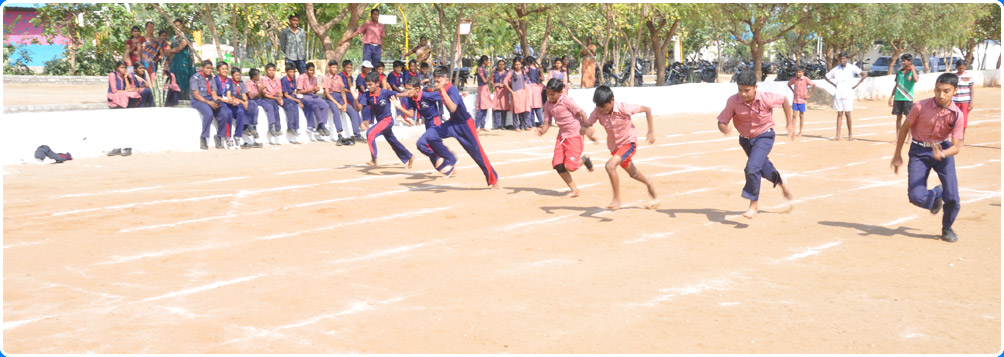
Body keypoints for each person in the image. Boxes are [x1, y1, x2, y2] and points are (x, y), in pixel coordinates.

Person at [890, 73, 965, 243]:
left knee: (952, 196)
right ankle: (936, 195)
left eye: (946, 91)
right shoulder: (920, 107)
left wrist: (942, 154)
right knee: (916, 196)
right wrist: (897, 155)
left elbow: (956, 147)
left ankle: (947, 228)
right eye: (938, 90)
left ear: (955, 91)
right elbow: (904, 129)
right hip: (919, 151)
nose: (941, 95)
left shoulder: (957, 115)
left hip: (943, 150)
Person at [716, 70, 795, 219]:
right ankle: (782, 182)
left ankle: (753, 205)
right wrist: (724, 128)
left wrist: (789, 123)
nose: (743, 94)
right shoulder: (733, 101)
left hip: (764, 135)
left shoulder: (766, 98)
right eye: (740, 90)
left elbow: (784, 100)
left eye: (747, 90)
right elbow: (722, 120)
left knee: (752, 168)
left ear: (755, 87)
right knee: (763, 169)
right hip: (746, 140)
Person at [582, 85, 659, 209]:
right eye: (599, 107)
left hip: (628, 144)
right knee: (633, 174)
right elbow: (586, 125)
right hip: (615, 148)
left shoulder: (624, 108)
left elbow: (647, 109)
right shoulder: (597, 111)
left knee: (610, 166)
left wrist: (650, 131)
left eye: (604, 106)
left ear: (612, 100)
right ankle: (648, 182)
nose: (602, 110)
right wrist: (585, 130)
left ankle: (617, 200)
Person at [424, 68, 500, 188]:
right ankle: (448, 158)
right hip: (453, 123)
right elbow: (427, 93)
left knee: (477, 154)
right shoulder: (440, 89)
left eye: (439, 80)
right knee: (430, 136)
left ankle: (493, 179)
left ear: (447, 79)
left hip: (465, 125)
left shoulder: (451, 90)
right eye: (435, 81)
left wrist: (442, 90)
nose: (436, 83)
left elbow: (453, 108)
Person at [535, 78, 594, 198]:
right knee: (558, 164)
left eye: (552, 94)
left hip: (574, 134)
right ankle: (574, 190)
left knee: (571, 167)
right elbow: (547, 122)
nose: (549, 96)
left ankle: (585, 159)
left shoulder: (566, 100)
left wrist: (587, 127)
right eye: (548, 93)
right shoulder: (547, 104)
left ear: (560, 92)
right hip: (561, 136)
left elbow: (582, 114)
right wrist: (542, 131)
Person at [351, 72, 413, 167]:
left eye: (370, 84)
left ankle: (373, 159)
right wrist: (355, 99)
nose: (368, 87)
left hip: (387, 120)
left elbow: (399, 95)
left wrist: (409, 93)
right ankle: (409, 156)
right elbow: (358, 108)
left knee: (370, 133)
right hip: (381, 122)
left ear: (377, 83)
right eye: (367, 84)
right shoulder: (367, 95)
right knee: (393, 141)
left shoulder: (385, 92)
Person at [824, 52, 866, 141]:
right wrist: (834, 84)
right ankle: (837, 135)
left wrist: (857, 84)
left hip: (848, 93)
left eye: (844, 59)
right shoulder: (836, 69)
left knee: (847, 113)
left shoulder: (852, 67)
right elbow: (826, 77)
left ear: (847, 59)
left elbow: (864, 74)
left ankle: (850, 134)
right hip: (838, 93)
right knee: (839, 114)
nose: (842, 60)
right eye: (841, 59)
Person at [191, 60, 232, 150]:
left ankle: (219, 136)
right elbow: (196, 95)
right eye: (207, 68)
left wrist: (217, 101)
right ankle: (204, 137)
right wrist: (209, 103)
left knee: (224, 114)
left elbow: (213, 93)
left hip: (210, 98)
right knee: (208, 114)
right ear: (202, 68)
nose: (209, 70)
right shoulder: (195, 78)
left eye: (211, 68)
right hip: (198, 100)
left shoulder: (211, 78)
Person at [323, 59, 356, 145]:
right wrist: (337, 104)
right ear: (329, 67)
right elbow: (327, 93)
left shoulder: (339, 77)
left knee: (352, 110)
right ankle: (339, 135)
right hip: (330, 97)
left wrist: (345, 103)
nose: (335, 69)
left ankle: (356, 133)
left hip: (340, 97)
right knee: (336, 111)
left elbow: (342, 91)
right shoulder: (326, 78)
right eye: (333, 67)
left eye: (336, 67)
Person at [296, 62, 330, 141]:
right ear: (306, 70)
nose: (311, 72)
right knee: (314, 104)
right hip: (304, 96)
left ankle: (320, 126)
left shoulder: (314, 78)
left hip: (312, 95)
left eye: (313, 70)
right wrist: (312, 89)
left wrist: (316, 90)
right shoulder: (302, 77)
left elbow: (313, 91)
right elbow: (299, 91)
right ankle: (322, 125)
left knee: (325, 105)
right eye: (310, 70)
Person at [230, 67, 262, 148]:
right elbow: (231, 96)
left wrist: (246, 101)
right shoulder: (230, 83)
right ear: (232, 75)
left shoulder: (241, 83)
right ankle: (246, 127)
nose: (238, 76)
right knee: (241, 108)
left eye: (239, 75)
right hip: (235, 101)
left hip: (242, 100)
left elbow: (244, 94)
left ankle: (253, 126)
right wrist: (242, 102)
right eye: (236, 75)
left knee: (253, 104)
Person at [212, 61, 241, 149]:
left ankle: (238, 136)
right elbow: (215, 95)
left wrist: (232, 100)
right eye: (222, 69)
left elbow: (228, 94)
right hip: (219, 100)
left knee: (240, 111)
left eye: (226, 69)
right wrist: (226, 100)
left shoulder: (228, 80)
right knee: (228, 113)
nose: (225, 70)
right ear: (218, 71)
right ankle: (228, 137)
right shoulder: (215, 80)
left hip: (226, 100)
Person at [887, 53, 919, 132]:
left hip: (908, 99)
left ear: (910, 61)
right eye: (902, 61)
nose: (902, 62)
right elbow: (896, 85)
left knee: (908, 118)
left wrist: (913, 69)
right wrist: (891, 96)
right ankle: (898, 137)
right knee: (898, 118)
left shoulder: (913, 72)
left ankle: (909, 138)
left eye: (904, 61)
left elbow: (916, 80)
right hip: (898, 98)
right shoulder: (899, 72)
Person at [167, 18, 194, 100]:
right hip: (174, 61)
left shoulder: (185, 36)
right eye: (175, 26)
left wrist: (171, 50)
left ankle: (185, 97)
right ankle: (175, 98)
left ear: (182, 27)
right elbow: (167, 48)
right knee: (174, 78)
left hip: (183, 61)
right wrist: (170, 50)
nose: (177, 28)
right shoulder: (172, 37)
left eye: (178, 26)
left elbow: (180, 48)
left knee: (184, 78)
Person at [259, 63, 285, 144]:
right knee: (273, 105)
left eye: (273, 70)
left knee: (279, 106)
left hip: (275, 98)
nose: (271, 72)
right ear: (266, 71)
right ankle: (272, 127)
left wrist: (279, 98)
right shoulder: (263, 80)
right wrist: (276, 98)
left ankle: (277, 128)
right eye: (269, 70)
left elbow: (280, 91)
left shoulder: (277, 80)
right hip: (267, 98)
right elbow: (264, 94)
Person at [339, 60, 365, 141]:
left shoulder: (350, 77)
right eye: (347, 68)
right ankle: (359, 125)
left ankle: (363, 122)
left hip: (350, 94)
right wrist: (351, 91)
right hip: (343, 95)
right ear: (343, 68)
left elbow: (351, 87)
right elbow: (342, 89)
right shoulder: (340, 76)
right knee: (354, 105)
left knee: (362, 100)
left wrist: (349, 79)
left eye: (350, 68)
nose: (349, 69)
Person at [504, 57, 532, 131]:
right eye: (516, 64)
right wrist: (511, 91)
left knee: (525, 109)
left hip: (524, 92)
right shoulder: (511, 72)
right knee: (515, 110)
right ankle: (516, 126)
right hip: (515, 93)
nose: (517, 66)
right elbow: (505, 82)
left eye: (519, 64)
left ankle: (526, 125)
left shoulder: (523, 72)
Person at [786, 66, 815, 137]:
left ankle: (800, 131)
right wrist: (793, 90)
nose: (798, 73)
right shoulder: (794, 79)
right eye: (797, 72)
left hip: (802, 100)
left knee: (801, 115)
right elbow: (789, 84)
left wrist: (809, 95)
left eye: (799, 72)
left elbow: (814, 85)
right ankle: (792, 131)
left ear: (802, 73)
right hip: (795, 100)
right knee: (794, 115)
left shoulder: (806, 79)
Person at [280, 62, 304, 144]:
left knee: (296, 105)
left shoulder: (293, 79)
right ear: (287, 72)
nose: (292, 73)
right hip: (285, 98)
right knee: (292, 105)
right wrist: (297, 100)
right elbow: (286, 94)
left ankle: (296, 126)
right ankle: (290, 127)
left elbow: (292, 91)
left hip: (291, 96)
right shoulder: (284, 80)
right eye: (290, 72)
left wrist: (297, 95)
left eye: (293, 72)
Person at [243, 68, 266, 146]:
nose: (259, 76)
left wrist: (260, 89)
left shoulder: (256, 83)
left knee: (268, 106)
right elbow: (251, 96)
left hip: (257, 100)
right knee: (254, 107)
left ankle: (254, 129)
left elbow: (259, 96)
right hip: (251, 100)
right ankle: (252, 126)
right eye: (258, 75)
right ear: (255, 76)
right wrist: (259, 91)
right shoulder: (249, 84)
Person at [952, 60, 975, 130]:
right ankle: (956, 136)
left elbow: (972, 89)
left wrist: (971, 102)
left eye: (963, 68)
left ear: (965, 67)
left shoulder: (968, 76)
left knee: (964, 120)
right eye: (959, 68)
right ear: (956, 67)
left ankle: (962, 137)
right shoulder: (954, 77)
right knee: (955, 120)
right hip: (955, 101)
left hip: (965, 101)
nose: (961, 70)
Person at [492, 59, 512, 129]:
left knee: (504, 107)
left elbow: (509, 82)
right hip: (497, 91)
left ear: (504, 65)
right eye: (500, 64)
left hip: (504, 91)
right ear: (498, 65)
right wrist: (496, 84)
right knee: (497, 107)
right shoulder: (495, 73)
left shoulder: (507, 73)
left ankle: (503, 124)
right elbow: (492, 82)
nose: (501, 66)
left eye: (502, 65)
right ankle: (497, 125)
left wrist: (503, 85)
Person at [474, 55, 492, 131]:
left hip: (485, 88)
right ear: (485, 61)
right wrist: (490, 77)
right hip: (482, 89)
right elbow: (484, 80)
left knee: (485, 107)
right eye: (487, 60)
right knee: (481, 107)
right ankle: (476, 126)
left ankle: (482, 125)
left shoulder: (483, 69)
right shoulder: (480, 69)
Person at [526, 56, 545, 127]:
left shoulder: (527, 69)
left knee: (531, 106)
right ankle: (541, 122)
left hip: (530, 87)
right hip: (537, 88)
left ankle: (532, 122)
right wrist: (541, 70)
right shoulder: (537, 69)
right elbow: (542, 78)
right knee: (537, 106)